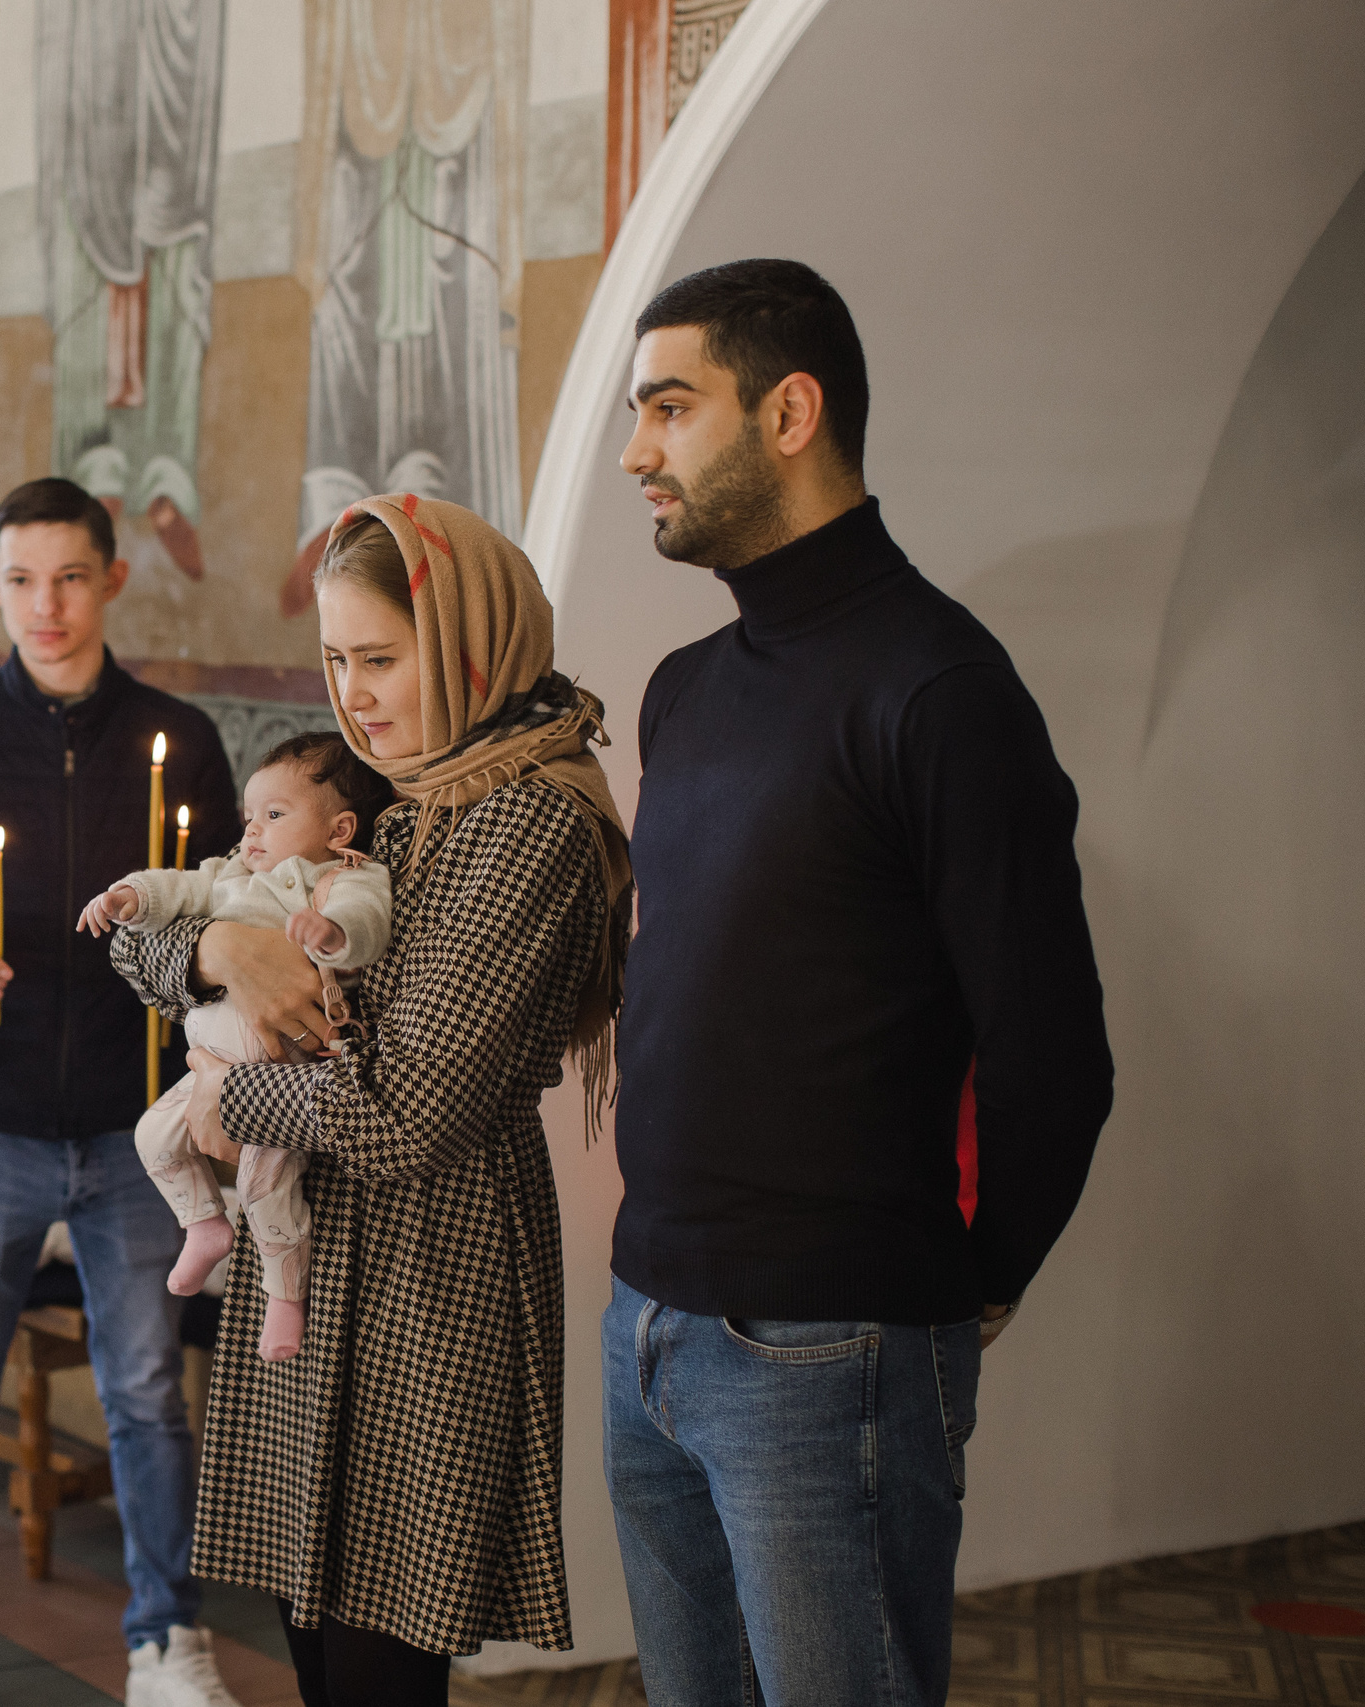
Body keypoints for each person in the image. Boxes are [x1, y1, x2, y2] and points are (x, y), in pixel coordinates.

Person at [606, 259, 1113, 1706]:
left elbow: (1051, 1054)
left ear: (789, 413)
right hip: (649, 1313)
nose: (637, 450)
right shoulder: (686, 686)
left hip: (831, 1341)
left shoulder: (941, 690)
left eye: (670, 407)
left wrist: (971, 1282)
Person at [111, 494, 635, 1707]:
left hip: (430, 1266)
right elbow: (151, 933)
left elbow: (407, 1113)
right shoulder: (385, 789)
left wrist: (231, 1101)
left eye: (383, 658)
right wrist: (220, 954)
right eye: (336, 659)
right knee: (311, 1631)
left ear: (470, 640)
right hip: (308, 1255)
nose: (353, 694)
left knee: (380, 1660)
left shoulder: (526, 821)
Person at [0, 476, 244, 1707]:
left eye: (71, 577)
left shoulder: (175, 737)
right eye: (21, 580)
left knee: (147, 1398)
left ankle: (165, 1641)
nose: (47, 606)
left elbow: (227, 910)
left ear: (112, 579)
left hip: (138, 1136)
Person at [80, 731, 395, 1362]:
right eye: (250, 815)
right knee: (152, 1137)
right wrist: (131, 897)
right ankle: (203, 1225)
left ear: (339, 830)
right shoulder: (234, 873)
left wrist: (331, 932)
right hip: (211, 1067)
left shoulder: (342, 878)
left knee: (264, 1188)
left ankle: (286, 1296)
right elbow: (179, 890)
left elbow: (369, 923)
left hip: (282, 1076)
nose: (252, 831)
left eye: (274, 815)